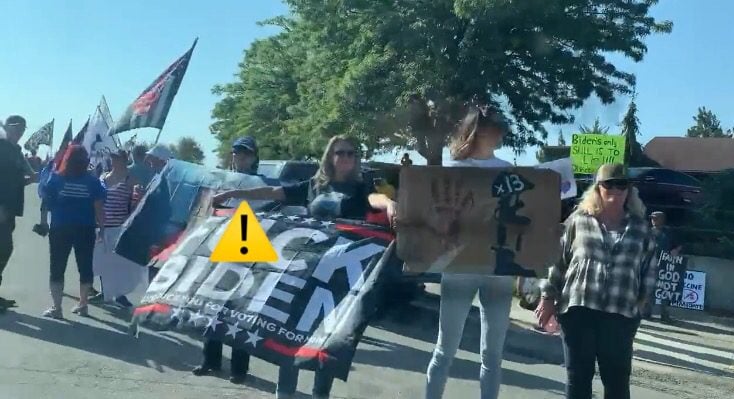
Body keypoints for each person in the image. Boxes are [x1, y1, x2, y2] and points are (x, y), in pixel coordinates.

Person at [213, 135, 395, 399]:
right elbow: (274, 193)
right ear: (329, 157)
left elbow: (375, 199)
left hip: (339, 278)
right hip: (304, 271)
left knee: (327, 339)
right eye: (340, 152)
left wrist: (390, 203)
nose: (345, 158)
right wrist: (232, 193)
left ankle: (320, 394)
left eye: (351, 153)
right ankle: (284, 393)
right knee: (292, 335)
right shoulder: (314, 186)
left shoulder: (361, 189)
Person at [416, 106, 516, 399]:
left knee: (493, 353)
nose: (497, 135)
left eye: (499, 129)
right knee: (445, 348)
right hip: (459, 264)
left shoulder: (508, 169)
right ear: (477, 132)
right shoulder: (453, 170)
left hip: (499, 266)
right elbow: (432, 215)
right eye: (492, 129)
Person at [536, 163, 658, 399]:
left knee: (617, 381)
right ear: (598, 188)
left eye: (621, 184)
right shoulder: (578, 220)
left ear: (629, 189)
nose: (615, 189)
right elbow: (558, 261)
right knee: (578, 378)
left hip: (620, 314)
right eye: (608, 184)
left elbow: (649, 271)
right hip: (578, 310)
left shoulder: (641, 229)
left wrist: (640, 306)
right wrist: (547, 297)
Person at [192, 137, 259, 384]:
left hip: (245, 249)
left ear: (253, 158)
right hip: (216, 247)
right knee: (211, 307)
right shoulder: (219, 180)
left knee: (240, 311)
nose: (239, 157)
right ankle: (210, 361)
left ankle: (239, 369)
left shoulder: (259, 184)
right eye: (236, 153)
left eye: (245, 154)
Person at [42, 145, 106, 319]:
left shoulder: (56, 179)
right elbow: (99, 207)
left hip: (60, 227)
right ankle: (83, 304)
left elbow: (47, 202)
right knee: (85, 266)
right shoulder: (92, 182)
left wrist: (43, 223)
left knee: (57, 267)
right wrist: (102, 229)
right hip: (85, 228)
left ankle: (57, 308)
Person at [91, 150, 146, 308]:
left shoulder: (131, 179)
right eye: (113, 158)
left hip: (118, 227)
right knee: (100, 261)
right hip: (100, 226)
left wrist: (139, 195)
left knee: (116, 263)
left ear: (124, 160)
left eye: (117, 158)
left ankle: (119, 295)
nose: (114, 161)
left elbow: (137, 202)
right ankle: (104, 292)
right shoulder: (103, 177)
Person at [0, 115, 36, 310]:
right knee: (3, 249)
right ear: (7, 127)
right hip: (1, 207)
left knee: (3, 250)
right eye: (17, 128)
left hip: (10, 208)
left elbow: (15, 178)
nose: (21, 132)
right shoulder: (1, 147)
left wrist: (27, 179)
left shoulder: (15, 151)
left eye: (23, 128)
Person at [646, 211, 681, 322]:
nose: (653, 220)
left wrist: (675, 250)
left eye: (655, 218)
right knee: (649, 289)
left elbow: (678, 245)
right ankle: (647, 312)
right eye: (652, 218)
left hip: (665, 266)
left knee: (665, 290)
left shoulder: (668, 232)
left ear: (662, 219)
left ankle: (664, 314)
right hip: (650, 264)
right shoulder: (648, 232)